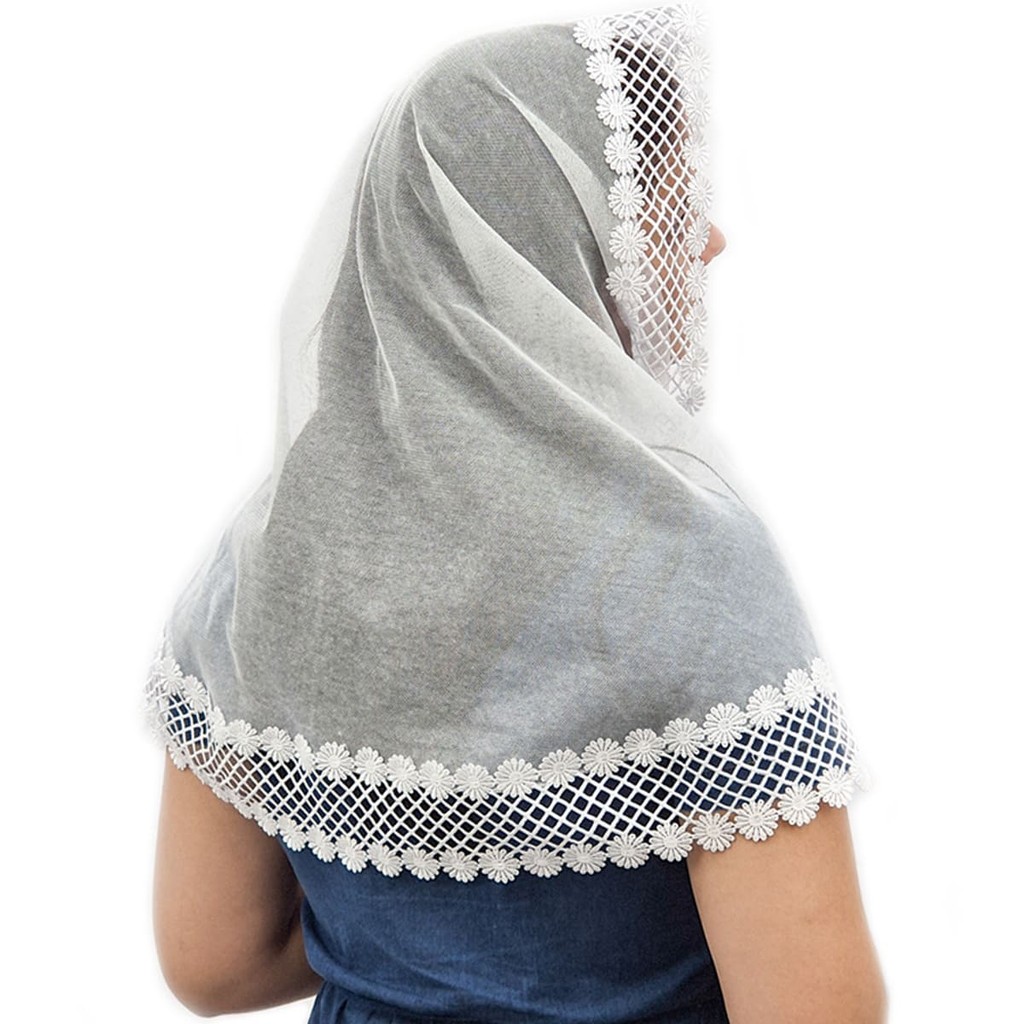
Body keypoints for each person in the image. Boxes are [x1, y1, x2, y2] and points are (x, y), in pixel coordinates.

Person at [145, 4, 887, 1022]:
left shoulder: (279, 544)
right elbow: (815, 1008)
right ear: (550, 242)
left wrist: (416, 968)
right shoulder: (685, 563)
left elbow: (214, 963)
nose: (711, 241)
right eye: (668, 210)